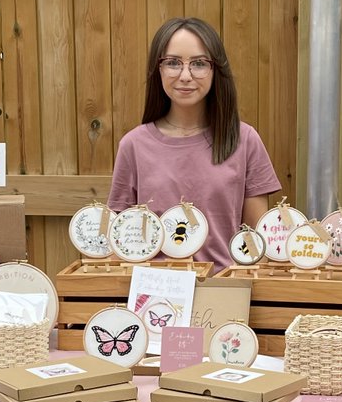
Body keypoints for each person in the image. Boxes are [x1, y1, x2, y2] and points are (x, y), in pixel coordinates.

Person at [107, 17, 281, 269]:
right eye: (173, 63)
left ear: (215, 70)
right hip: (154, 296)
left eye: (199, 63)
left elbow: (257, 246)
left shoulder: (246, 141)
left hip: (224, 295)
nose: (185, 75)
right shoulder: (133, 146)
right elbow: (119, 245)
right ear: (158, 69)